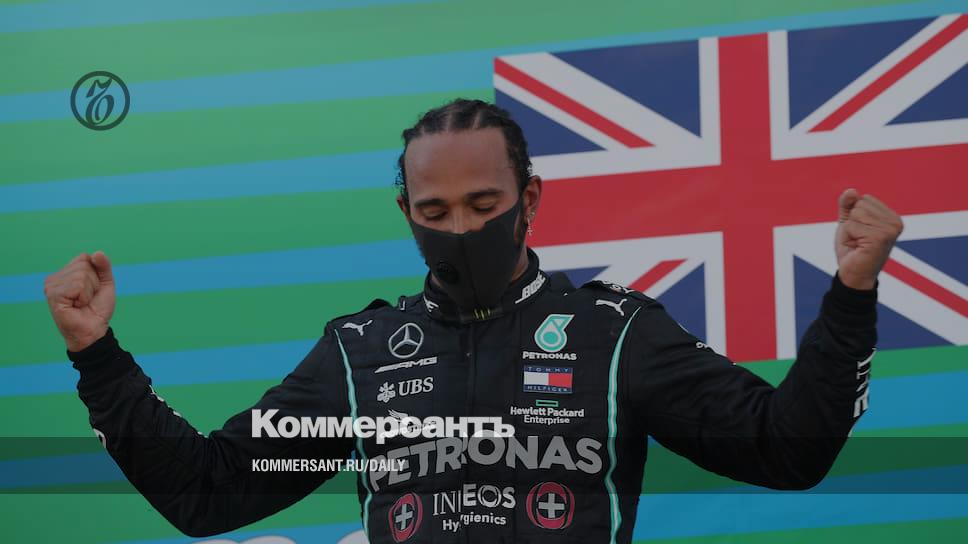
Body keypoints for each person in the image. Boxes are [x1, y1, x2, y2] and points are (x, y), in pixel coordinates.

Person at [44, 99, 903, 543]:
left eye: (484, 204)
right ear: (406, 213)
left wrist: (851, 295)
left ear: (530, 198)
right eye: (435, 210)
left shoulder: (612, 334)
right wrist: (98, 355)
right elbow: (206, 493)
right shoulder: (361, 352)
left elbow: (788, 450)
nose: (460, 228)